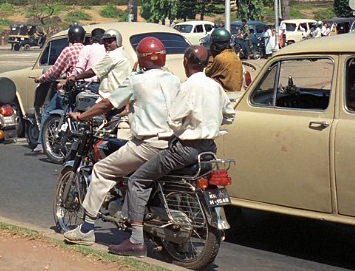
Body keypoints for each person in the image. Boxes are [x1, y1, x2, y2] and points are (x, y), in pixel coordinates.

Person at [108, 45, 235, 257]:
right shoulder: (215, 86)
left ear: (186, 62)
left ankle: (136, 240)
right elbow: (229, 116)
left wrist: (183, 130)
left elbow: (174, 119)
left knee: (137, 180)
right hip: (209, 149)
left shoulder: (188, 86)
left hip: (185, 149)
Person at [62, 38, 181, 245]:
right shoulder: (173, 79)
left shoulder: (136, 80)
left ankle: (87, 229)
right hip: (171, 143)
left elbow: (107, 104)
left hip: (148, 144)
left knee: (101, 170)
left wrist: (82, 116)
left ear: (141, 59)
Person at [30, 24, 87, 153]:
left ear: (70, 37)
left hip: (71, 88)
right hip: (86, 88)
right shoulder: (87, 50)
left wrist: (41, 78)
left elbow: (55, 71)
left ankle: (40, 143)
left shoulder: (68, 51)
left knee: (48, 112)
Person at [68, 29, 132, 101]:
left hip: (110, 97)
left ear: (118, 41)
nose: (107, 43)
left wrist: (75, 78)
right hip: (121, 94)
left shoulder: (113, 56)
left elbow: (93, 71)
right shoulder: (125, 54)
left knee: (84, 105)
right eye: (105, 41)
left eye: (110, 41)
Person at [205, 27, 243, 92]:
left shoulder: (220, 58)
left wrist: (211, 56)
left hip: (225, 94)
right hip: (236, 93)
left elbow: (208, 73)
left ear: (215, 45)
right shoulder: (235, 56)